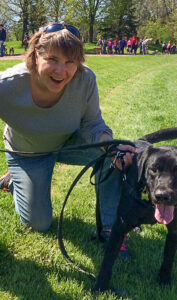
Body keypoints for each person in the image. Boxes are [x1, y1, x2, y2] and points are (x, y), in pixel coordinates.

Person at [0, 23, 136, 257]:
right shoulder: (8, 85)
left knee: (111, 155)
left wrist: (112, 148)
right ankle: (12, 181)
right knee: (39, 223)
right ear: (35, 55)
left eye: (70, 61)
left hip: (69, 142)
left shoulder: (85, 80)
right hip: (28, 153)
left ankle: (111, 229)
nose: (61, 71)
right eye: (52, 59)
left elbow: (93, 125)